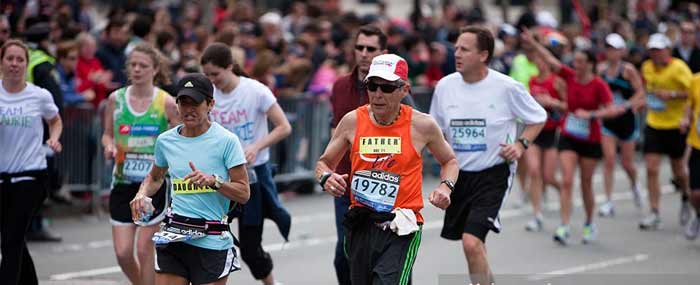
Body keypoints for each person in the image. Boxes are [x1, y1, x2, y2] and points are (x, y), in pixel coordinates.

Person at [317, 53, 458, 285]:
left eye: (387, 87)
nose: (378, 94)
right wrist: (326, 178)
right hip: (361, 223)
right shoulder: (353, 121)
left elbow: (450, 161)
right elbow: (324, 163)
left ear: (404, 89)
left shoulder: (422, 125)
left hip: (401, 225)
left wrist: (446, 187)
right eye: (372, 86)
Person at [430, 26, 546, 284]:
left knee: (471, 243)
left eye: (464, 49)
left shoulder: (506, 87)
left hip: (493, 173)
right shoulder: (445, 87)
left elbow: (538, 118)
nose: (456, 53)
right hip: (460, 175)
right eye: (456, 48)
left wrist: (520, 144)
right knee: (475, 246)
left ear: (483, 55)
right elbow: (435, 132)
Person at [130, 73, 249, 285]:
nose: (188, 109)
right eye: (183, 103)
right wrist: (141, 194)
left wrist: (215, 182)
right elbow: (155, 178)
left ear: (210, 104)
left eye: (194, 103)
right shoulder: (166, 141)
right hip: (174, 236)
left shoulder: (226, 141)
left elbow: (243, 193)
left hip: (211, 240)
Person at [328, 24, 416, 285]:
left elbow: (415, 131)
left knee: (392, 258)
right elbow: (336, 133)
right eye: (359, 47)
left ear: (382, 52)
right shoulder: (340, 86)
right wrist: (328, 172)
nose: (364, 53)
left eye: (371, 48)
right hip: (348, 189)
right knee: (345, 255)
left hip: (391, 192)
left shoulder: (397, 89)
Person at [523, 28, 625, 245]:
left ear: (590, 64)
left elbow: (612, 109)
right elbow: (550, 60)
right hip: (569, 135)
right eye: (575, 61)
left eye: (580, 62)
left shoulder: (599, 84)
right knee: (567, 180)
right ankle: (564, 225)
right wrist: (534, 43)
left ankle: (589, 222)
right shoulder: (569, 76)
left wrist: (592, 114)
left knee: (585, 184)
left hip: (590, 139)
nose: (576, 65)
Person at [201, 42, 292, 285]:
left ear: (230, 67)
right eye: (207, 75)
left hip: (253, 176)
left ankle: (270, 282)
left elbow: (284, 127)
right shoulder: (209, 95)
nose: (212, 80)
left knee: (250, 248)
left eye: (216, 74)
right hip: (219, 176)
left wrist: (256, 146)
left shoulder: (256, 91)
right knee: (213, 238)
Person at [101, 43, 179, 285]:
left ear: (155, 69)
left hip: (152, 186)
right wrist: (109, 145)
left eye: (143, 66)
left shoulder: (165, 102)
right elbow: (107, 134)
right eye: (133, 65)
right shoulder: (116, 99)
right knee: (123, 253)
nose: (136, 70)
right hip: (123, 183)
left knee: (145, 251)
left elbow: (178, 138)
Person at [0, 39, 63, 285]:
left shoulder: (39, 95)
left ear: (26, 64)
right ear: (2, 62)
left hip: (32, 176)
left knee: (11, 240)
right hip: (3, 178)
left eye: (20, 60)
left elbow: (55, 120)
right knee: (11, 237)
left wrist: (54, 139)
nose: (15, 64)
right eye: (10, 59)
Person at [639, 33, 693, 230]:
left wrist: (671, 94)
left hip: (675, 125)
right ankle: (654, 212)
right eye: (652, 50)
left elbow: (693, 92)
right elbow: (646, 90)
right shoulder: (646, 68)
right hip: (654, 123)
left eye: (659, 50)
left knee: (679, 171)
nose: (655, 54)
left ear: (667, 50)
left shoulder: (679, 68)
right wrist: (642, 100)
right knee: (651, 168)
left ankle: (687, 197)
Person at [597, 33, 646, 217]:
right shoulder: (601, 70)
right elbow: (598, 91)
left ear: (621, 51)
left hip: (626, 120)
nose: (611, 52)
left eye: (615, 49)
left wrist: (625, 106)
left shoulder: (628, 70)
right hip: (609, 121)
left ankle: (635, 185)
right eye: (608, 48)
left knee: (627, 164)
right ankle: (608, 201)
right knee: (609, 160)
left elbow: (641, 93)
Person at [24, 21, 64, 243]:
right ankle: (34, 225)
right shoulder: (41, 63)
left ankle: (33, 224)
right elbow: (52, 101)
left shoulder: (29, 59)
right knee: (40, 180)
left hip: (36, 130)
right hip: (41, 132)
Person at [524, 52, 566, 232]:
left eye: (542, 59)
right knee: (534, 171)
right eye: (537, 59)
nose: (539, 63)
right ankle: (537, 215)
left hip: (552, 131)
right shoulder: (533, 80)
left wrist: (552, 102)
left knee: (548, 176)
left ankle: (564, 192)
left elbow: (567, 105)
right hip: (535, 130)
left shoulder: (557, 81)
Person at [682, 72, 700, 240]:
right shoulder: (695, 80)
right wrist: (685, 118)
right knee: (695, 193)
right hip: (697, 144)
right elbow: (689, 105)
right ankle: (698, 216)